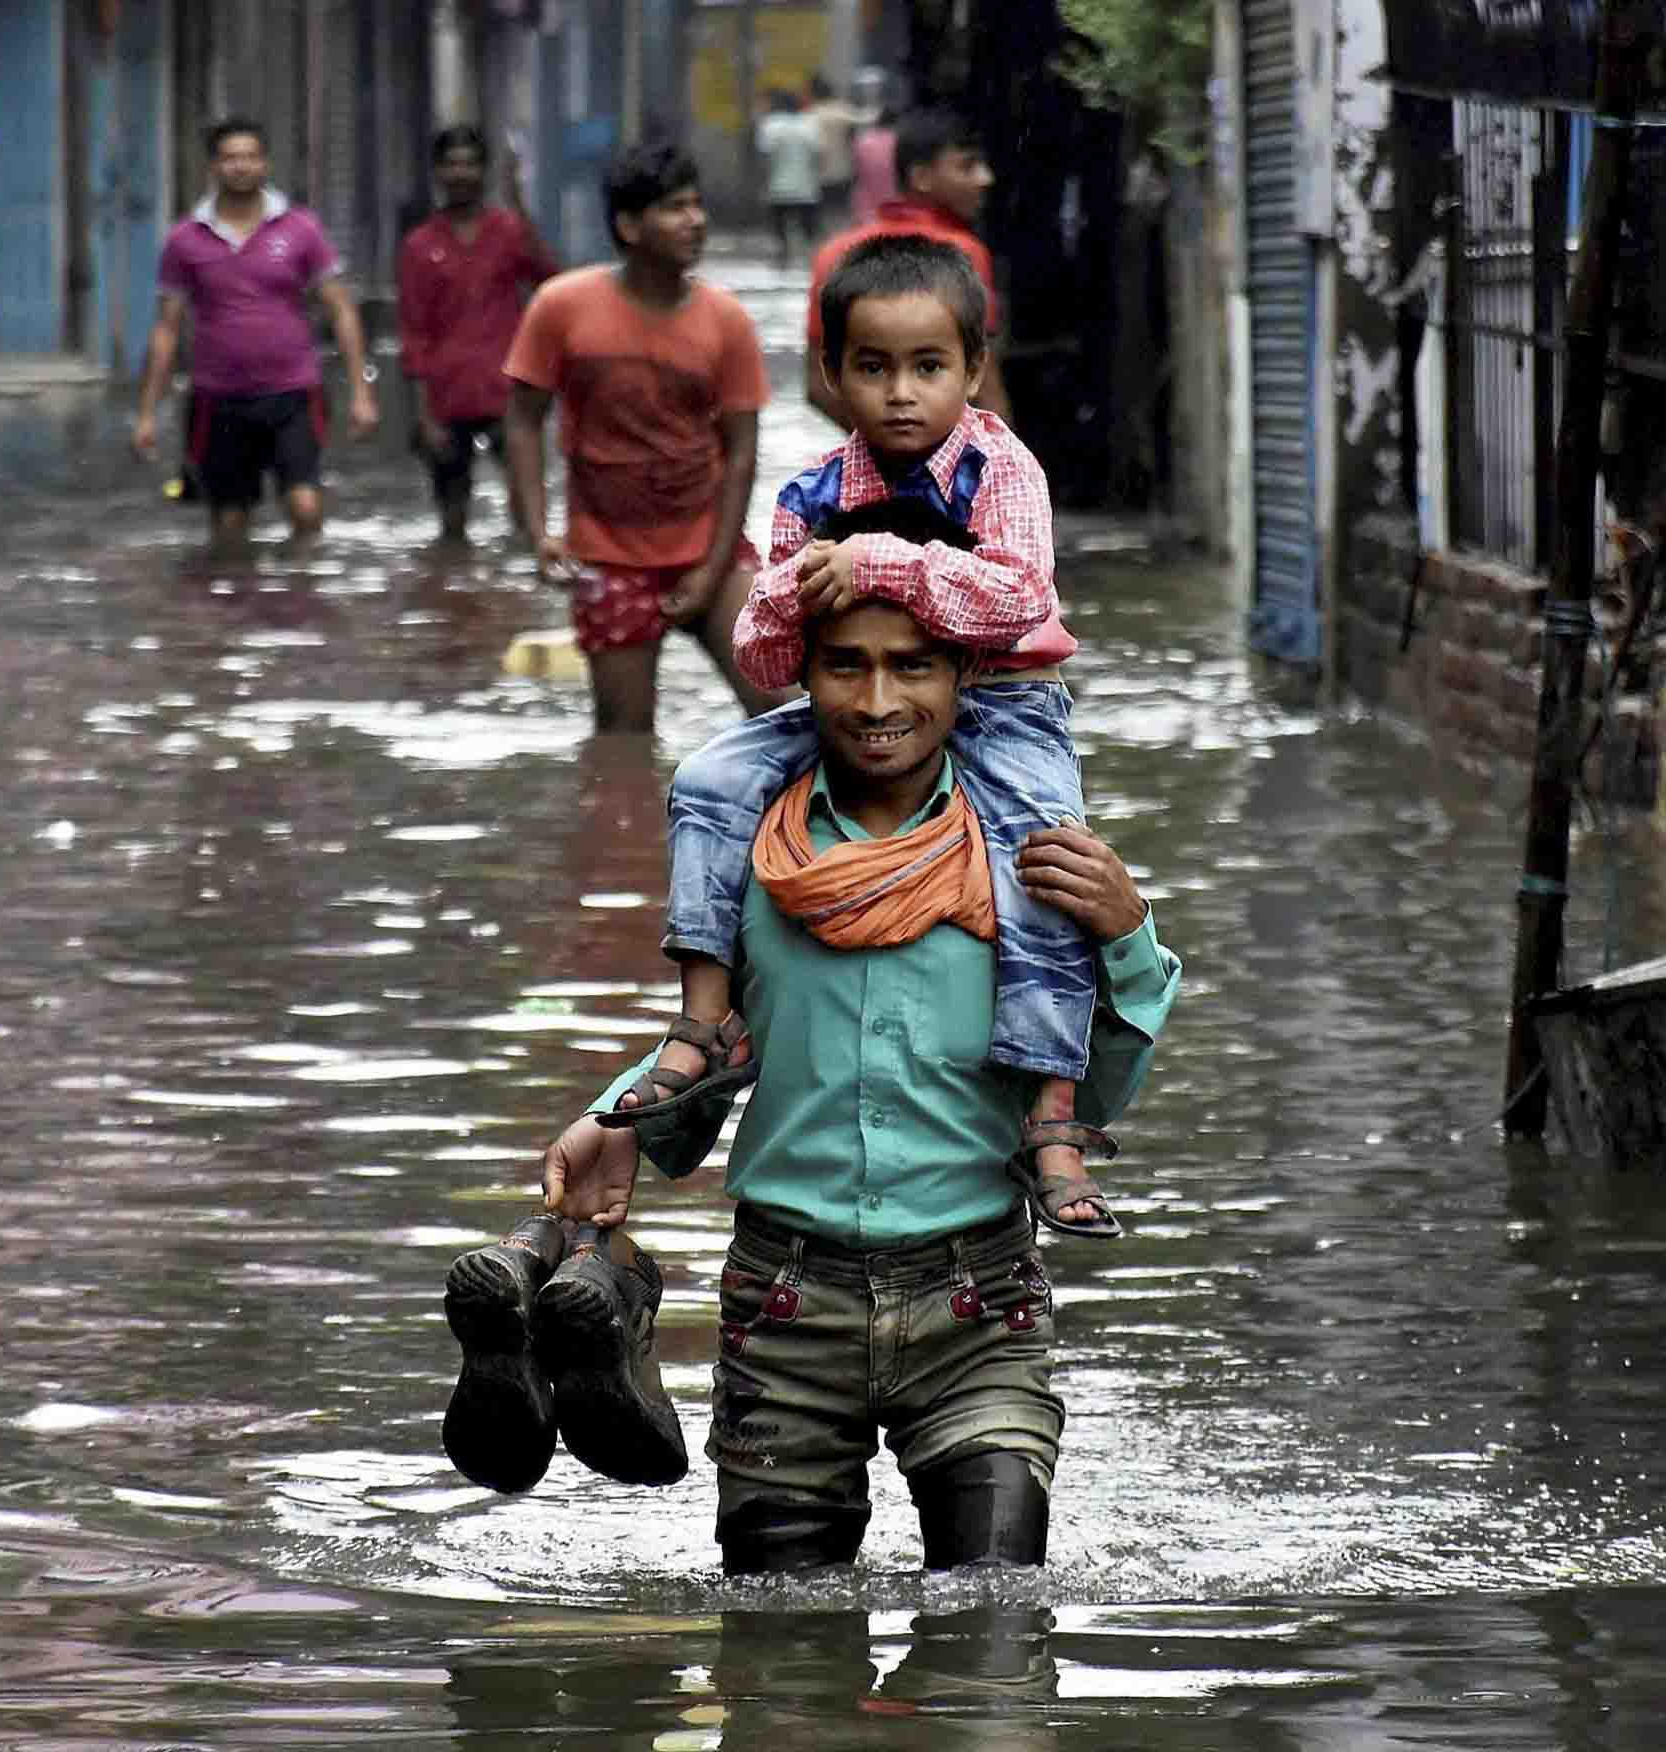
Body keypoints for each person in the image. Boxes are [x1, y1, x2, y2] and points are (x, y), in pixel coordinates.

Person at [441, 578, 1181, 1570]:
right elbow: (731, 1039)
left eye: (912, 665)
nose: (879, 703)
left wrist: (1128, 932)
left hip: (979, 1308)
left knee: (993, 1650)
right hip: (786, 1307)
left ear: (966, 675)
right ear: (802, 677)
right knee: (783, 1666)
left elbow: (1089, 1091)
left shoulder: (1033, 861)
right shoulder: (754, 850)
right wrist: (613, 1120)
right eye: (848, 666)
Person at [607, 234, 1110, 1246]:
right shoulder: (811, 494)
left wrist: (883, 565)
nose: (900, 394)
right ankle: (704, 1017)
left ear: (973, 371)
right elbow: (760, 653)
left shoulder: (999, 466)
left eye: (929, 367)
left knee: (1044, 871)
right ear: (832, 376)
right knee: (710, 777)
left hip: (1007, 706)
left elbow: (1018, 598)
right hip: (842, 707)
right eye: (872, 368)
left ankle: (1053, 1120)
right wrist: (800, 587)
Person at [503, 142, 787, 735]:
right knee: (624, 741)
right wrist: (536, 532)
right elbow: (524, 420)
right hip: (608, 556)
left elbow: (741, 455)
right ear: (630, 226)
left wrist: (711, 572)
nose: (697, 220)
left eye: (698, 205)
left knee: (784, 710)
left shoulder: (726, 321)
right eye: (675, 208)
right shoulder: (562, 307)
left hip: (710, 548)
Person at [132, 117, 381, 550]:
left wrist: (361, 391)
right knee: (229, 526)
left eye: (249, 157)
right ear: (213, 167)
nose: (240, 167)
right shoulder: (186, 239)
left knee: (305, 507)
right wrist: (148, 414)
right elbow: (167, 328)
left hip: (293, 393)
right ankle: (238, 609)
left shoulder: (300, 229)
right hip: (218, 398)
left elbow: (341, 310)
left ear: (265, 164)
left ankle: (301, 602)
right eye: (230, 158)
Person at [396, 126, 560, 547]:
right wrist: (424, 414)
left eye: (469, 163)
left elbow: (551, 279)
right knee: (452, 526)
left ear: (483, 171)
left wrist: (521, 205)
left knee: (526, 513)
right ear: (437, 172)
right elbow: (413, 330)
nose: (460, 173)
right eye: (451, 164)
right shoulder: (419, 245)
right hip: (446, 396)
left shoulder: (509, 231)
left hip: (507, 391)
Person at [807, 106, 1012, 430]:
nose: (985, 179)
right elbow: (986, 388)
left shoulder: (834, 251)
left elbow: (817, 386)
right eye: (967, 166)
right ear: (921, 177)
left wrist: (881, 441)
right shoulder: (964, 253)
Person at [754, 89, 824, 271]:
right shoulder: (810, 124)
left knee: (780, 227)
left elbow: (764, 158)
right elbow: (818, 154)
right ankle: (811, 260)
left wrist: (763, 182)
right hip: (806, 187)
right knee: (808, 228)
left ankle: (783, 259)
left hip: (778, 186)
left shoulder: (770, 125)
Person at [806, 74, 863, 228]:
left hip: (820, 172)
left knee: (823, 213)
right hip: (845, 169)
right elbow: (855, 136)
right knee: (843, 212)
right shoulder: (845, 111)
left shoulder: (811, 115)